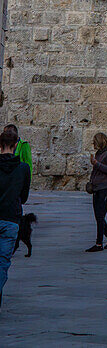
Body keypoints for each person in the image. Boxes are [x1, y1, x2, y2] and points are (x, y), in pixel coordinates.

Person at [0, 126, 30, 307]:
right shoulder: (23, 168)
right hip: (11, 218)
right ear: (16, 144)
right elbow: (24, 197)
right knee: (3, 262)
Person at [86, 132, 107, 252]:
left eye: (94, 141)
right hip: (97, 187)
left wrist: (97, 164)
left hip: (106, 188)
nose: (93, 144)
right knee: (98, 216)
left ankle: (99, 244)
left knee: (100, 216)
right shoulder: (99, 154)